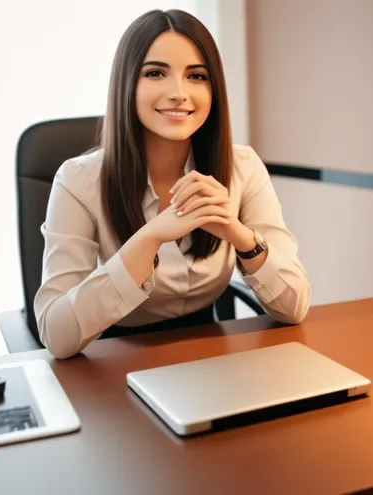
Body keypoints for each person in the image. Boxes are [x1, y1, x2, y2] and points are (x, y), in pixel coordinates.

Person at [34, 9, 310, 359]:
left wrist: (238, 234)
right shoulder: (78, 180)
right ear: (128, 83)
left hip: (214, 358)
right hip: (114, 363)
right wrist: (149, 238)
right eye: (155, 73)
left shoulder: (243, 167)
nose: (179, 93)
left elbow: (295, 307)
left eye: (196, 76)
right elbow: (55, 335)